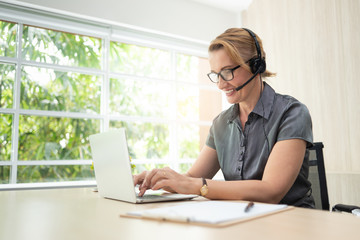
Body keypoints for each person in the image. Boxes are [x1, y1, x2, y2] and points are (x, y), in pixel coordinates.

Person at [133, 28, 315, 208]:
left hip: (290, 222)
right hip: (244, 220)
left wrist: (196, 185)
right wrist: (158, 179)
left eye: (227, 72)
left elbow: (270, 191)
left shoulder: (292, 113)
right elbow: (192, 179)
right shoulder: (221, 124)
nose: (220, 84)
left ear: (256, 65)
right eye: (216, 74)